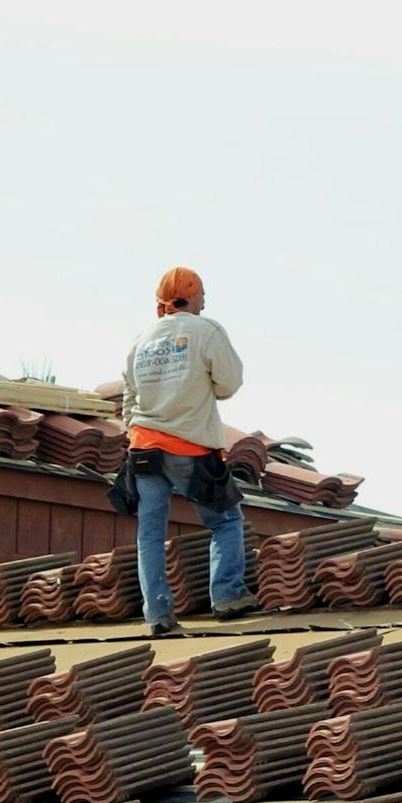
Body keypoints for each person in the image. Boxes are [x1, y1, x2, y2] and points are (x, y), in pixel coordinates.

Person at [122, 266, 251, 634]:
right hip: (190, 447)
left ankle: (157, 614)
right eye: (203, 295)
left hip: (144, 448)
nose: (206, 301)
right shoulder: (205, 330)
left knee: (149, 535)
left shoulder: (141, 339)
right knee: (225, 519)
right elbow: (228, 384)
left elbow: (129, 398)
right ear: (192, 296)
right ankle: (227, 596)